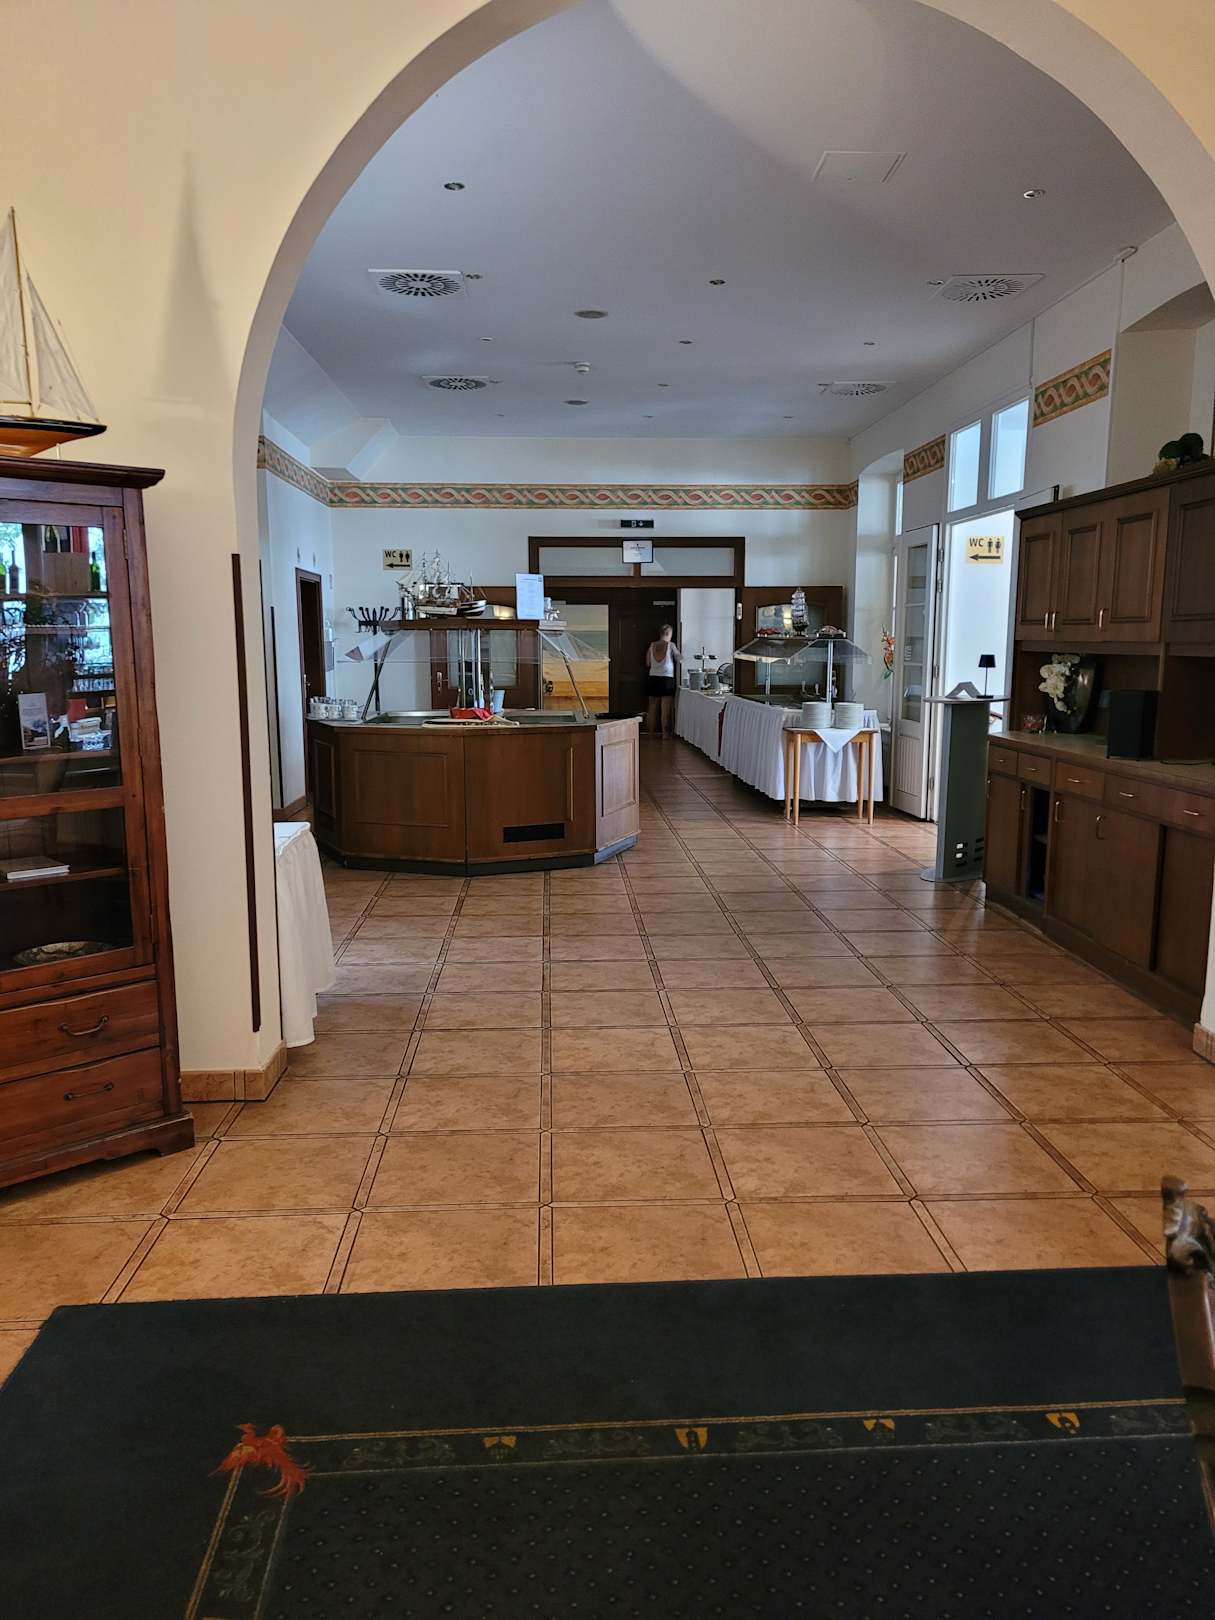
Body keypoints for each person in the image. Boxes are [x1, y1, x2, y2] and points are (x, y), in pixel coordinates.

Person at [644, 623, 680, 737]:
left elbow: (648, 663)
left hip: (653, 678)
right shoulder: (671, 645)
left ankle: (650, 733)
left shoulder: (652, 645)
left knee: (652, 708)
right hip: (667, 679)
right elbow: (679, 658)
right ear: (669, 633)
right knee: (665, 709)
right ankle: (665, 734)